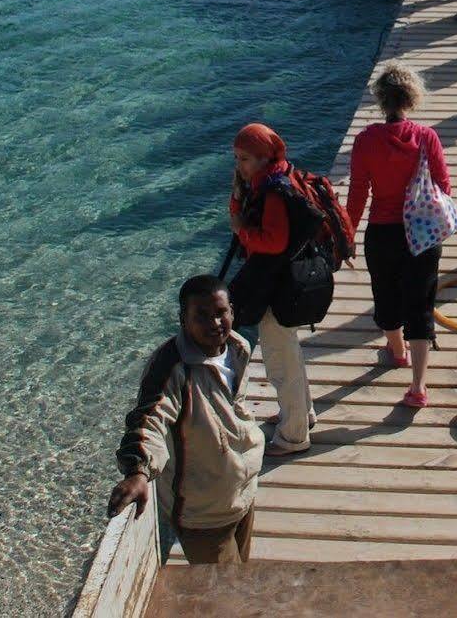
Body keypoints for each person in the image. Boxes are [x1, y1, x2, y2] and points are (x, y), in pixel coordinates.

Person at [108, 275, 264, 563]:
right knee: (223, 602)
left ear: (232, 310)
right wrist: (138, 471)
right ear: (183, 319)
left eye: (220, 313)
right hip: (203, 513)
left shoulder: (238, 348)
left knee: (239, 585)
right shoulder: (170, 368)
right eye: (201, 316)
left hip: (241, 493)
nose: (215, 323)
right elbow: (149, 419)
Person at [346, 64, 453, 409]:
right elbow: (443, 187)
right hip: (421, 233)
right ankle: (418, 387)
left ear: (380, 100)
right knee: (420, 305)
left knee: (386, 296)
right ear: (412, 99)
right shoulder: (427, 138)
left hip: (382, 232)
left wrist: (347, 232)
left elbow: (358, 194)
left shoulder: (365, 140)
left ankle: (397, 351)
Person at [226, 124, 316, 455]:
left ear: (264, 157)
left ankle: (293, 436)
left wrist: (243, 232)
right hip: (286, 283)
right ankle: (301, 415)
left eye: (245, 158)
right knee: (288, 352)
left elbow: (273, 243)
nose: (239, 165)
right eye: (236, 158)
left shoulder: (273, 193)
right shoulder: (271, 179)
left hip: (275, 285)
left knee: (280, 361)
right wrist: (239, 196)